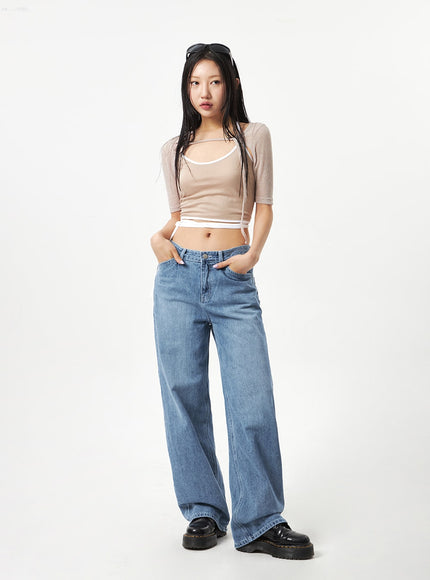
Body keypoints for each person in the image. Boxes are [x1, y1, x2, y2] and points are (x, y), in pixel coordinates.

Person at [150, 42, 314, 560]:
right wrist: (158, 240)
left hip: (231, 276)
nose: (204, 92)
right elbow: (178, 215)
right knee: (183, 396)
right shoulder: (172, 148)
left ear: (232, 84)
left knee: (251, 397)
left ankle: (260, 520)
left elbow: (264, 205)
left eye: (214, 81)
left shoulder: (253, 136)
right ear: (186, 88)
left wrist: (252, 254)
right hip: (177, 276)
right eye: (195, 82)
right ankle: (203, 510)